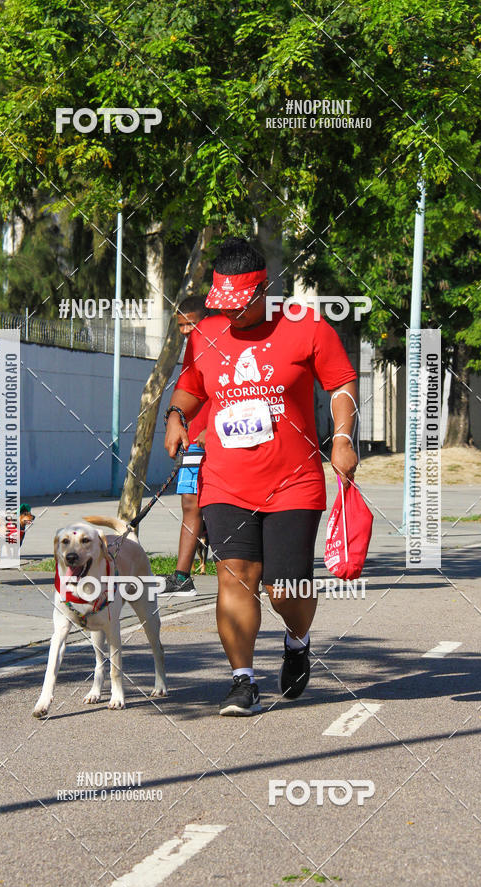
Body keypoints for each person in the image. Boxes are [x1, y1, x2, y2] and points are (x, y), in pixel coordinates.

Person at [164, 237, 358, 716]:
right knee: (236, 575)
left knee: (286, 587)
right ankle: (242, 680)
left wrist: (343, 437)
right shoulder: (204, 334)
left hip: (294, 482)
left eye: (241, 305)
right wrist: (174, 414)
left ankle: (297, 640)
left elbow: (340, 383)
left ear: (265, 288)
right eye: (223, 306)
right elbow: (190, 386)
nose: (231, 316)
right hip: (226, 480)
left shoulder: (306, 327)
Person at [160, 296, 211, 598]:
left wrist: (210, 430)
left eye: (191, 323)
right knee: (190, 503)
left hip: (224, 440)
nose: (185, 330)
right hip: (194, 442)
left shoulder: (224, 348)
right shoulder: (191, 354)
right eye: (180, 324)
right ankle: (182, 576)